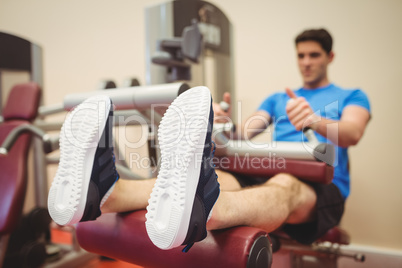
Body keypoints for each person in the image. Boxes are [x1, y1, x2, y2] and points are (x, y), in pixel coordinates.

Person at [48, 28, 371, 251]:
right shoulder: (278, 98)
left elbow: (353, 133)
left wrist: (315, 120)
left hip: (320, 183)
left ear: (330, 56)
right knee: (220, 178)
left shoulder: (351, 95)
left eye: (314, 55)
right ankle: (107, 193)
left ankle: (206, 209)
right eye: (301, 55)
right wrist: (224, 123)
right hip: (265, 168)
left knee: (285, 184)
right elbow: (244, 133)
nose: (306, 62)